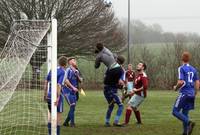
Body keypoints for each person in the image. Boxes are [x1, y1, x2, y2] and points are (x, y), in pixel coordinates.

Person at [172, 51, 199, 135]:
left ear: (182, 58)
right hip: (191, 94)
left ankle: (189, 122)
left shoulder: (181, 68)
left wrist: (175, 88)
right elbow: (198, 82)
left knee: (175, 111)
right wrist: (195, 92)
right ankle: (185, 133)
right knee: (185, 113)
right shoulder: (194, 69)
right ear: (189, 59)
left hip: (184, 93)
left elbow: (180, 82)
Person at [44, 56, 68, 135]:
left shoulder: (52, 69)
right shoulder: (63, 71)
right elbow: (59, 85)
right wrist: (57, 97)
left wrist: (45, 94)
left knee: (50, 116)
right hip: (57, 96)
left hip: (49, 95)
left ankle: (50, 133)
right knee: (58, 118)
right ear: (66, 64)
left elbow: (46, 81)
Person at [103, 55, 126, 127]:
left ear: (116, 60)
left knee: (111, 105)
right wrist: (123, 87)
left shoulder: (110, 66)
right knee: (121, 106)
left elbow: (105, 76)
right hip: (113, 90)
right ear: (122, 63)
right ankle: (116, 122)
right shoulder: (121, 70)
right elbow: (121, 82)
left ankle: (107, 122)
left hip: (105, 89)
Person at [62, 57, 83, 127]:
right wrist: (73, 87)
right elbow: (66, 80)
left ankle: (66, 122)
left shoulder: (77, 71)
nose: (75, 61)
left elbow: (81, 80)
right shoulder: (68, 70)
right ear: (70, 62)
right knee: (72, 105)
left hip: (74, 92)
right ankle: (72, 123)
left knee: (73, 107)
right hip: (67, 90)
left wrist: (79, 77)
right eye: (73, 60)